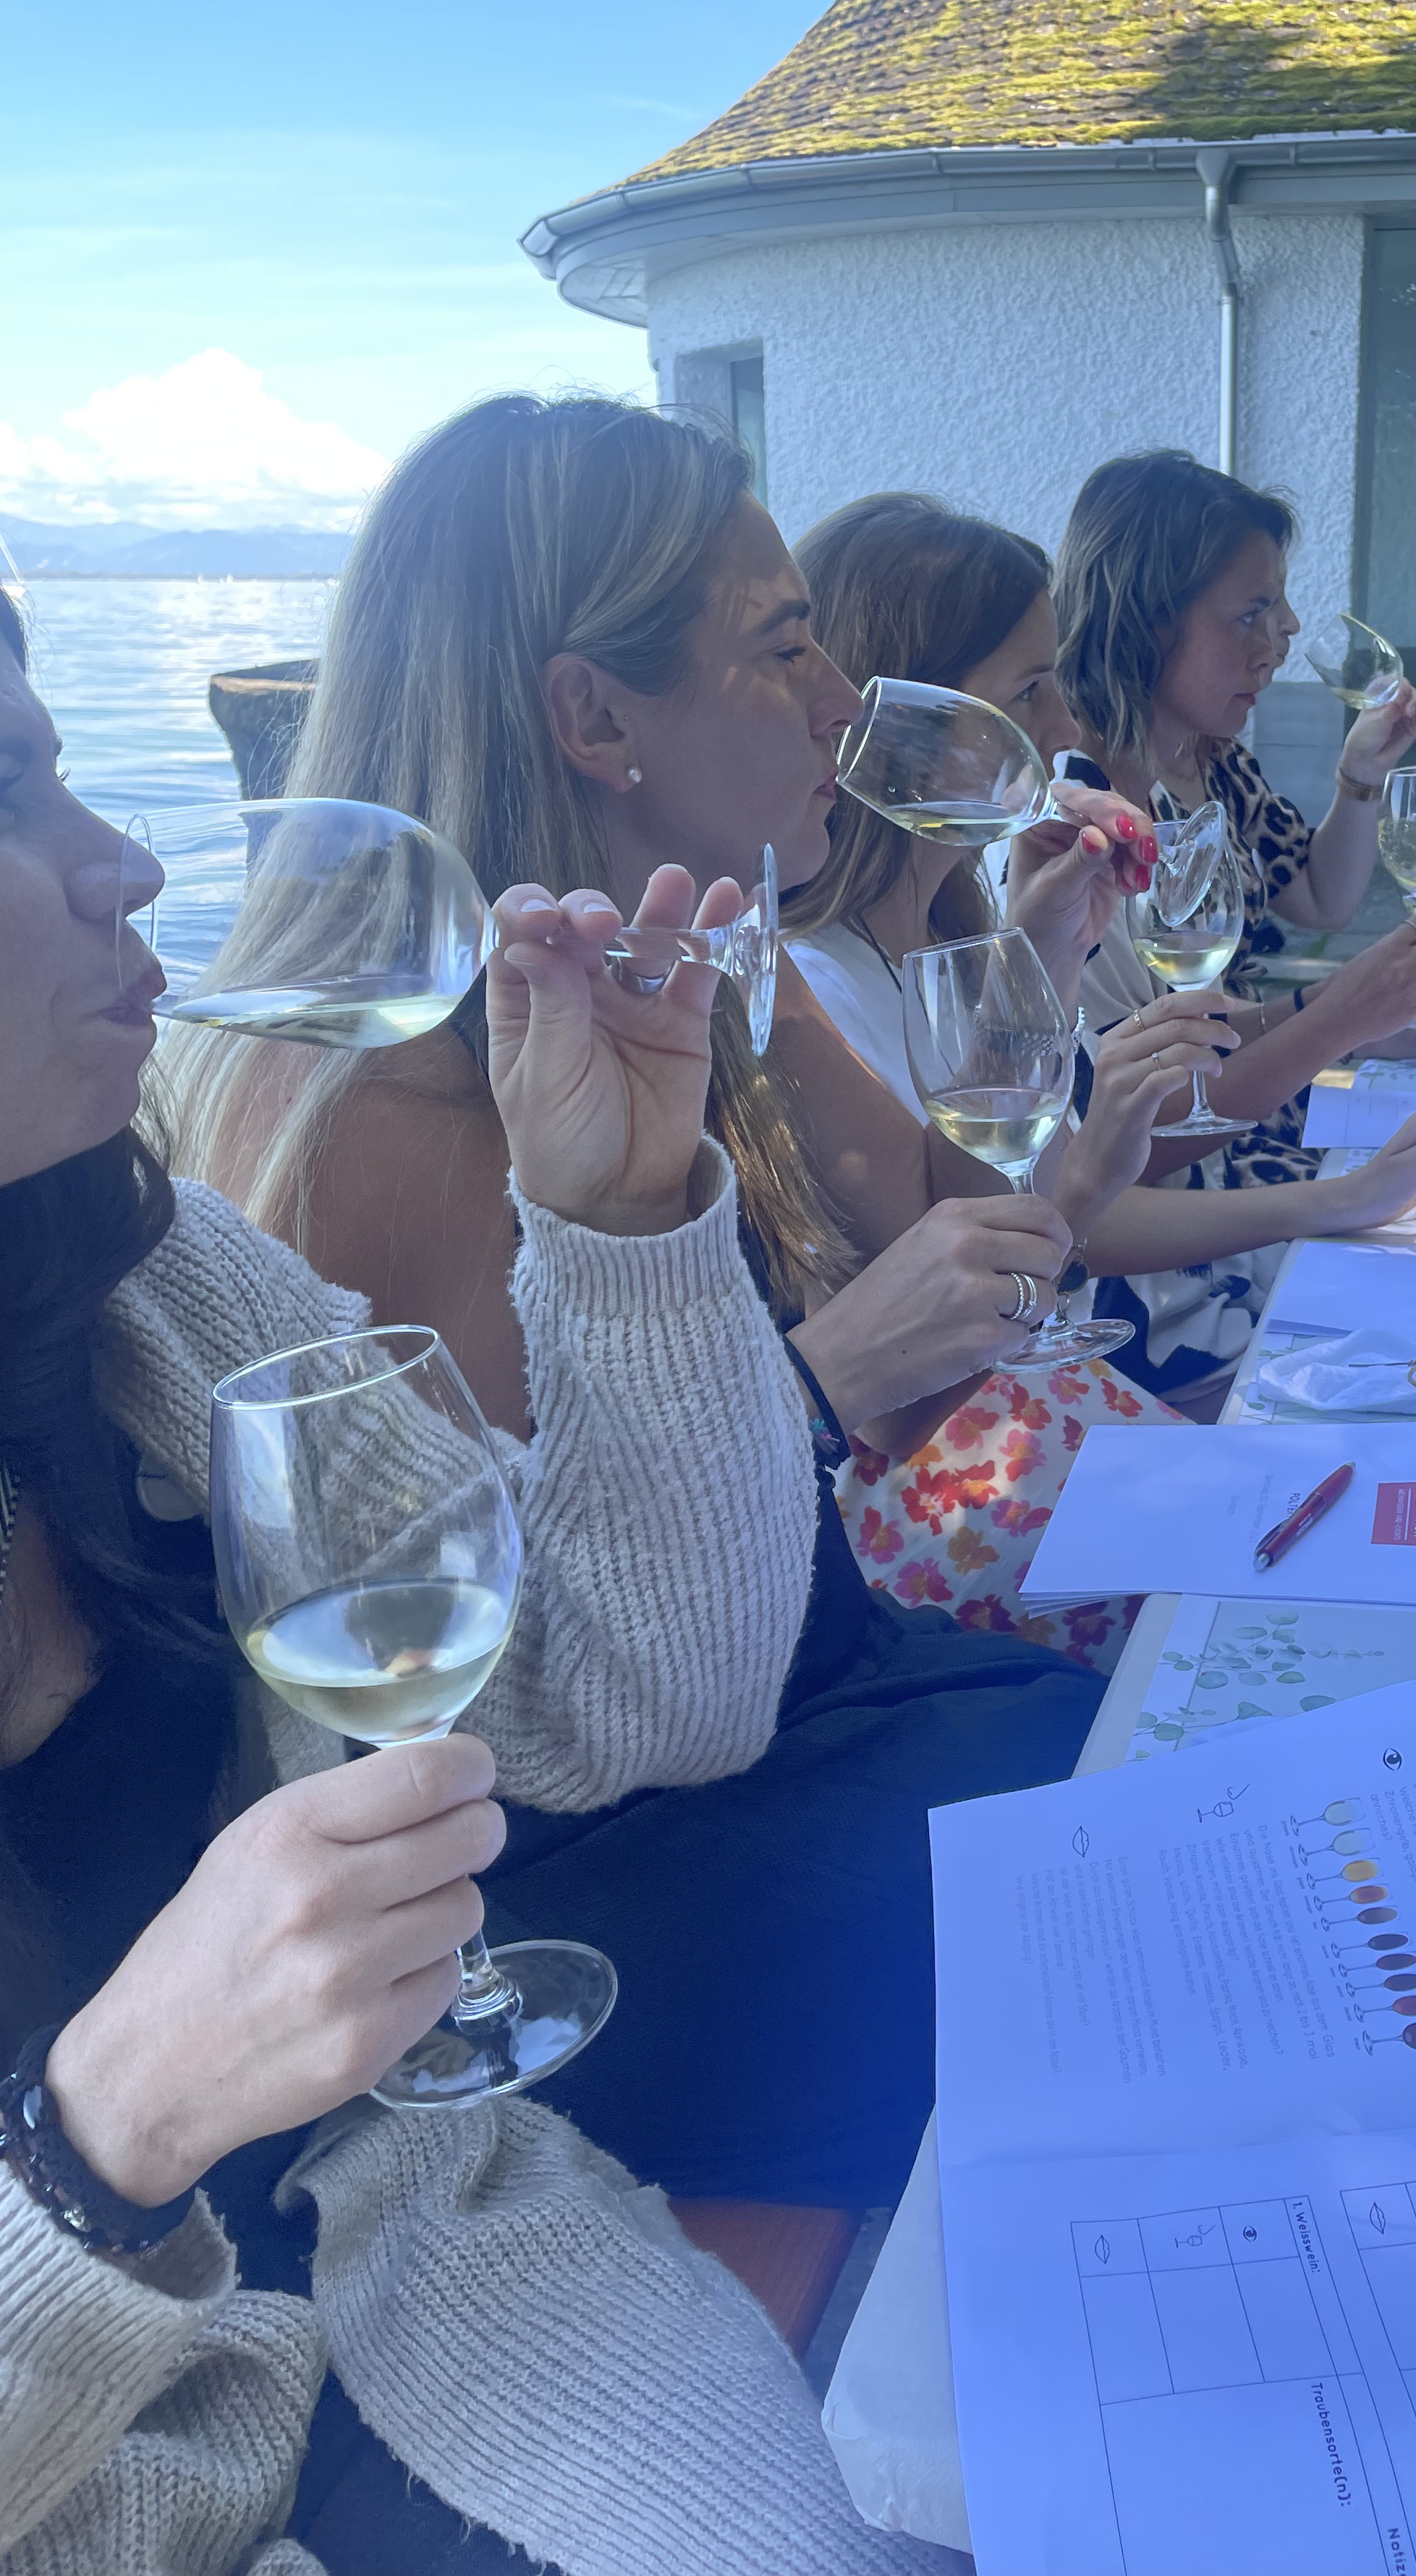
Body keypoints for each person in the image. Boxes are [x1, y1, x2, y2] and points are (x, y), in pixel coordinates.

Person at [0, 587, 946, 2573]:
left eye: (67, 774)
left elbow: (651, 1707)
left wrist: (621, 1220)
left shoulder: (147, 1292)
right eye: (8, 795)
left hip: (423, 2280)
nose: (126, 864)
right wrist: (102, 2143)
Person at [157, 394, 1121, 2208]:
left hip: (787, 1706)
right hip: (589, 1880)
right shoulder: (392, 1109)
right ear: (596, 722)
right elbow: (538, 1692)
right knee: (1148, 1901)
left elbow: (958, 1224)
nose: (842, 698)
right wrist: (826, 1372)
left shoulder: (696, 971)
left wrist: (1023, 974)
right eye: (784, 644)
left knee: (1169, 1755)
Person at [786, 493, 1416, 1625]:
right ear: (899, 726)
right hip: (962, 1481)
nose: (1063, 720)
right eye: (1030, 690)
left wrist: (1040, 968)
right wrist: (1331, 1100)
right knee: (1375, 1540)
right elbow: (945, 1355)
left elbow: (1048, 1199)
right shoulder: (813, 994)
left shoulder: (971, 921)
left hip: (1054, 1398)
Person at [1050, 449, 1416, 1387]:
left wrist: (1361, 776)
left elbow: (1316, 903)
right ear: (1145, 620)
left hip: (1247, 1180)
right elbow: (1128, 1139)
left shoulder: (1199, 768)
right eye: (1252, 611)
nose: (1286, 632)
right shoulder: (1073, 831)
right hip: (1172, 1285)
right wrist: (1338, 1020)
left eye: (1279, 607)